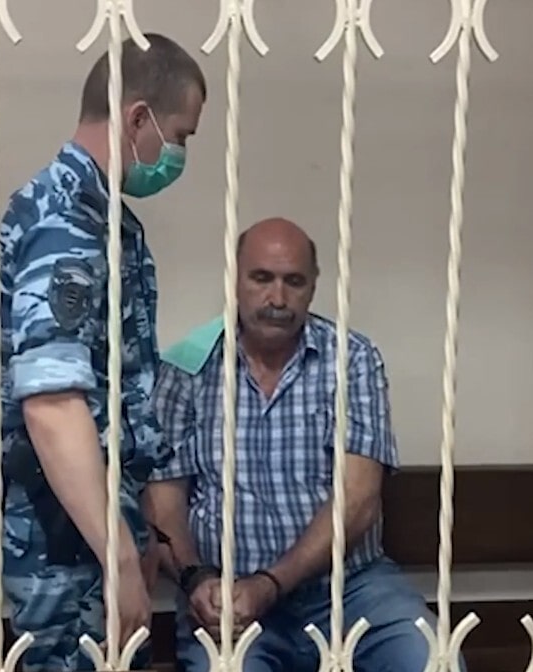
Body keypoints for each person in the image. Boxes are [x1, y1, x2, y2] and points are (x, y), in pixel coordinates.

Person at [0, 33, 207, 672]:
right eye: (179, 136)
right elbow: (51, 403)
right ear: (138, 118)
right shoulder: (65, 222)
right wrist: (117, 554)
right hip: (64, 537)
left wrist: (136, 529)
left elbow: (118, 393)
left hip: (90, 526)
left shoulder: (104, 221)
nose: (178, 155)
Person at [144, 217, 450, 671]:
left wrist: (271, 583)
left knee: (432, 661)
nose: (277, 299)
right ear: (235, 278)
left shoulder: (351, 360)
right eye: (261, 278)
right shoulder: (187, 368)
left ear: (313, 286)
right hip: (228, 599)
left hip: (349, 589)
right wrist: (197, 578)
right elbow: (164, 502)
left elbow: (358, 500)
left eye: (294, 281)